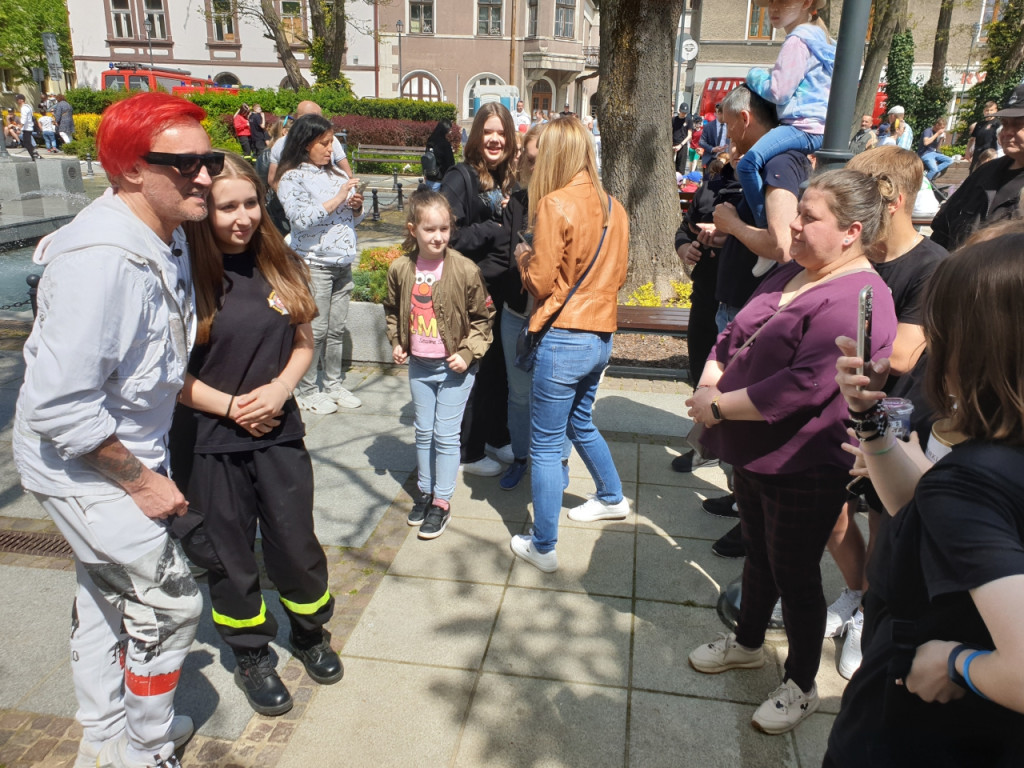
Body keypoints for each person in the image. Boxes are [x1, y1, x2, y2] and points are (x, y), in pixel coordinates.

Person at [12, 91, 213, 768]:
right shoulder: (99, 262)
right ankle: (146, 752)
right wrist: (143, 483)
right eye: (185, 166)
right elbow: (60, 406)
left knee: (103, 591)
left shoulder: (167, 232)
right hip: (83, 463)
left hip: (119, 451)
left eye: (208, 160)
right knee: (172, 601)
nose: (206, 176)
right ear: (130, 169)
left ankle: (103, 737)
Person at [685, 168, 898, 735]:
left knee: (796, 573)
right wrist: (711, 376)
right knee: (758, 552)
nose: (794, 225)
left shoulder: (862, 296)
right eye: (798, 211)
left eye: (809, 217)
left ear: (851, 231)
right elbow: (734, 334)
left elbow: (804, 385)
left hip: (804, 461)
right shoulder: (795, 269)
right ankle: (749, 643)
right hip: (752, 451)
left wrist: (718, 405)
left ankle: (802, 684)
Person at [824, 230, 1024, 767]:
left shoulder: (972, 482)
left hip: (916, 731)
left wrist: (955, 663)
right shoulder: (985, 461)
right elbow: (920, 506)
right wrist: (869, 419)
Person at [172, 152, 341, 718]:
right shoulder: (185, 277)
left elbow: (303, 343)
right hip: (208, 443)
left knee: (295, 541)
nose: (242, 217)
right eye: (227, 207)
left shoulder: (280, 262)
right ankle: (250, 654)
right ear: (203, 211)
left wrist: (279, 391)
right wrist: (232, 407)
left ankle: (309, 630)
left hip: (277, 434)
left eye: (249, 203)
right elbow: (167, 374)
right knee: (229, 556)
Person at [821, 146, 948, 680]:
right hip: (841, 405)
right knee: (830, 515)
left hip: (895, 422)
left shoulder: (932, 266)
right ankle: (854, 594)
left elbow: (901, 355)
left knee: (882, 523)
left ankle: (869, 613)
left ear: (891, 199)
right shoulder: (859, 255)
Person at [674, 85, 809, 497]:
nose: (726, 134)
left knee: (734, 401)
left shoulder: (777, 162)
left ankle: (748, 508)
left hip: (751, 305)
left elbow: (781, 245)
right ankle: (738, 497)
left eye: (729, 124)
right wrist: (722, 237)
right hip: (729, 297)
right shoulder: (764, 163)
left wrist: (731, 226)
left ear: (746, 118)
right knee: (722, 397)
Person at [510, 116, 630, 574]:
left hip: (562, 338)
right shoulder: (614, 206)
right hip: (601, 334)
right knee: (581, 422)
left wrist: (523, 256)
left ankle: (543, 545)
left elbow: (540, 282)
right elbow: (617, 275)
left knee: (543, 446)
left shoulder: (554, 204)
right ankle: (612, 495)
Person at [384, 191, 495, 539]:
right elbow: (392, 311)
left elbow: (484, 317)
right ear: (413, 229)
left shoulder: (464, 269)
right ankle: (426, 491)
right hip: (419, 365)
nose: (438, 237)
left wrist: (467, 353)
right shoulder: (401, 268)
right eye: (430, 229)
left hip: (454, 369)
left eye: (444, 229)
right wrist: (398, 342)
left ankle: (442, 502)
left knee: (446, 435)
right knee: (423, 431)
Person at [440, 102, 517, 476]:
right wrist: (495, 227)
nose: (494, 139)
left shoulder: (509, 177)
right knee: (473, 367)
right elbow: (446, 234)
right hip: (470, 293)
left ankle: (494, 436)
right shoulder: (461, 177)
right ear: (476, 136)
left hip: (502, 290)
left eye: (501, 132)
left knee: (498, 368)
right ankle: (466, 451)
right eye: (488, 131)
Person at [277, 114, 366, 415]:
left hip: (343, 263)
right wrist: (339, 198)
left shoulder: (337, 176)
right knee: (315, 329)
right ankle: (306, 389)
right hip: (315, 264)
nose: (331, 150)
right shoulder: (292, 178)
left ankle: (332, 383)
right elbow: (300, 220)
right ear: (305, 144)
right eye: (324, 143)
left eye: (332, 143)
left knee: (336, 329)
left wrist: (356, 206)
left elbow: (353, 218)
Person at [739, 0, 834, 243]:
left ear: (805, 3)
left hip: (803, 125)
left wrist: (754, 75)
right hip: (818, 125)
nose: (773, 9)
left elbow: (779, 92)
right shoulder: (820, 40)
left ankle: (768, 232)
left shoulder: (797, 41)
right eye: (769, 3)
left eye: (782, 2)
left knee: (747, 165)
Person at [931, 83, 1024, 251]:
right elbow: (943, 226)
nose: (1008, 131)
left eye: (1018, 124)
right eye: (1005, 123)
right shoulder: (985, 172)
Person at [267, 100, 354, 189]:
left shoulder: (331, 139)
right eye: (324, 144)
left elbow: (348, 174)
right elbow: (272, 179)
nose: (330, 148)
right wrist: (288, 197)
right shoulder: (281, 143)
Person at [965, 99, 1000, 174]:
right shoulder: (979, 124)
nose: (989, 112)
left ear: (996, 111)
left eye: (991, 110)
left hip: (990, 154)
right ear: (984, 111)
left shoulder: (998, 124)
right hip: (977, 154)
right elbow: (972, 139)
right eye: (987, 110)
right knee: (973, 174)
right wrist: (967, 152)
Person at [917, 117, 953, 181]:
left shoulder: (937, 134)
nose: (942, 130)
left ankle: (931, 174)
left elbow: (937, 148)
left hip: (933, 153)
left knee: (950, 160)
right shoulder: (928, 131)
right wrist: (937, 134)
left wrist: (941, 139)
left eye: (944, 128)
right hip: (925, 154)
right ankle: (926, 182)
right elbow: (926, 142)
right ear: (937, 125)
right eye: (941, 128)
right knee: (934, 169)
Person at [700, 103, 729, 171]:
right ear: (716, 113)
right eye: (718, 112)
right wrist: (712, 149)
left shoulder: (730, 126)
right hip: (711, 158)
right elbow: (701, 141)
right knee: (709, 180)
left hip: (726, 158)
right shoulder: (708, 126)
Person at [15, 94, 40, 160]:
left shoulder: (24, 108)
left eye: (18, 100)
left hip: (27, 128)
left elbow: (24, 119)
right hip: (29, 127)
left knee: (27, 143)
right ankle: (35, 155)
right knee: (28, 143)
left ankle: (34, 156)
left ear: (22, 100)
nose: (17, 101)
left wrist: (19, 128)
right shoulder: (28, 106)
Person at [672, 103, 694, 174]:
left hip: (682, 145)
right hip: (673, 144)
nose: (684, 114)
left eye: (685, 113)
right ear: (679, 110)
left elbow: (689, 135)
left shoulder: (689, 120)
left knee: (681, 167)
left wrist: (680, 145)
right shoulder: (674, 119)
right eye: (682, 112)